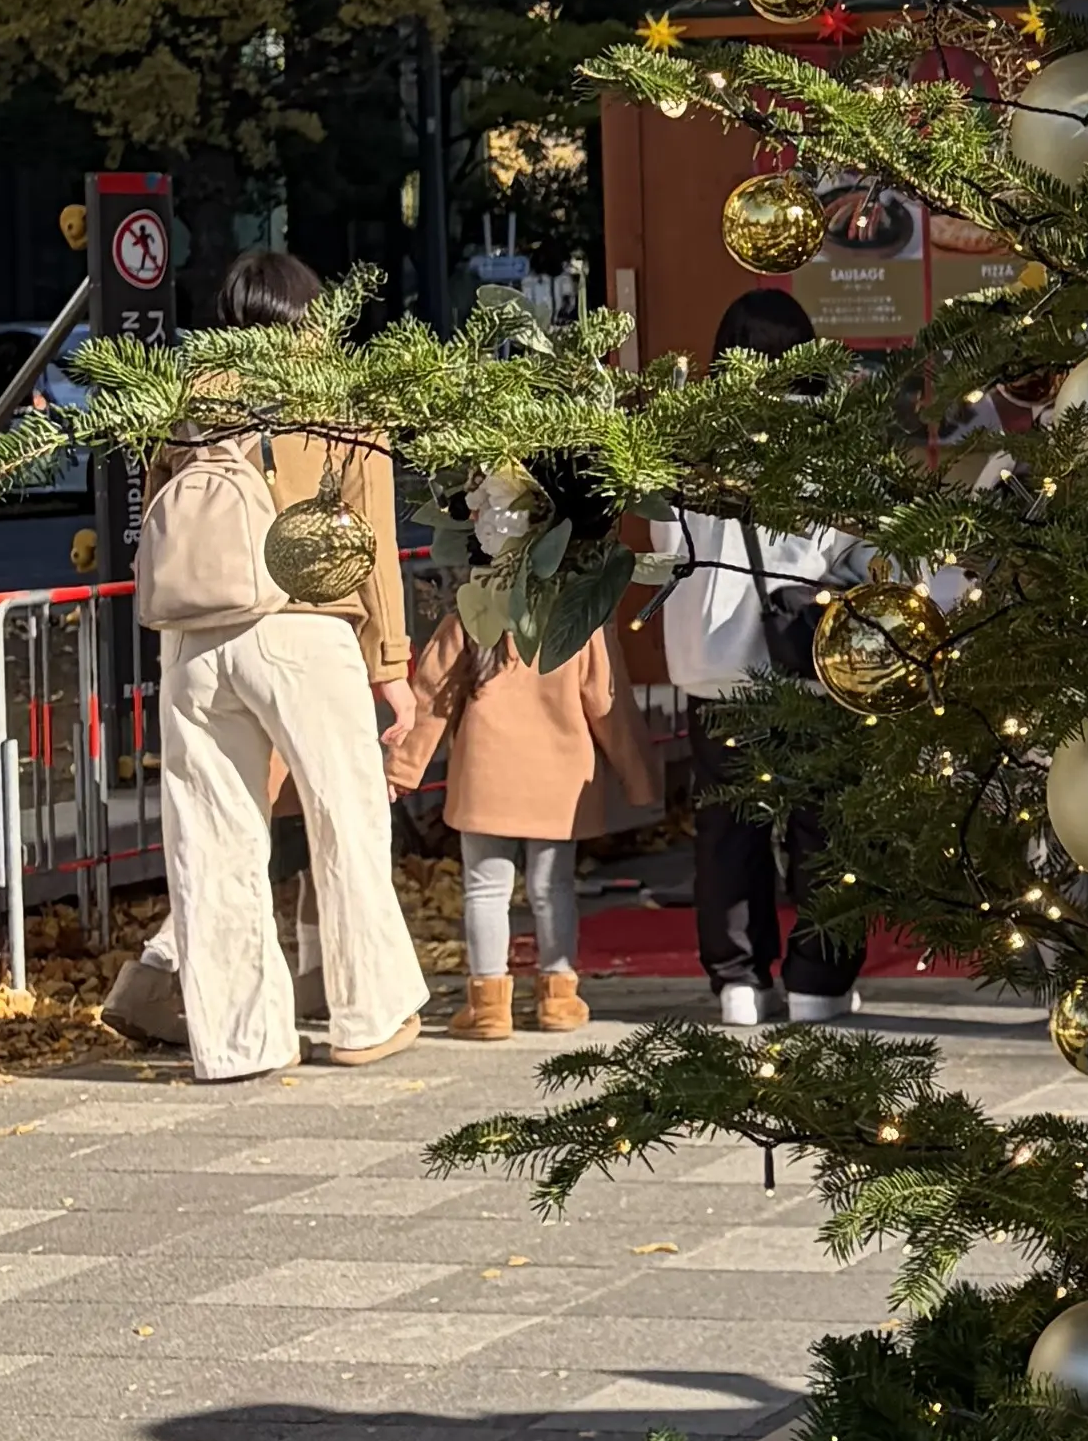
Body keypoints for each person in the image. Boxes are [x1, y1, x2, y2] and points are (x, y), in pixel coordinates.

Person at [132, 250, 429, 1081]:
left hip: (193, 638)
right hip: (303, 628)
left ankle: (236, 1043)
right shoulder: (336, 398)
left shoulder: (191, 393)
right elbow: (370, 541)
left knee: (210, 840)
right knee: (347, 821)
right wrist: (391, 664)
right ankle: (366, 1013)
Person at [648, 289, 873, 1027]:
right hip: (809, 665)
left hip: (714, 667)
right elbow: (863, 553)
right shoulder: (835, 438)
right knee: (825, 828)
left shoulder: (684, 441)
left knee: (727, 830)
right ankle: (820, 983)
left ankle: (740, 982)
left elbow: (666, 549)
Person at [388, 546, 659, 1039]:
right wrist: (639, 779)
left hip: (486, 776)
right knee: (552, 889)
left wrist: (403, 769)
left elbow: (431, 698)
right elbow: (608, 705)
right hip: (557, 779)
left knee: (485, 890)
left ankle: (488, 1004)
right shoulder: (577, 622)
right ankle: (558, 997)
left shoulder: (469, 618)